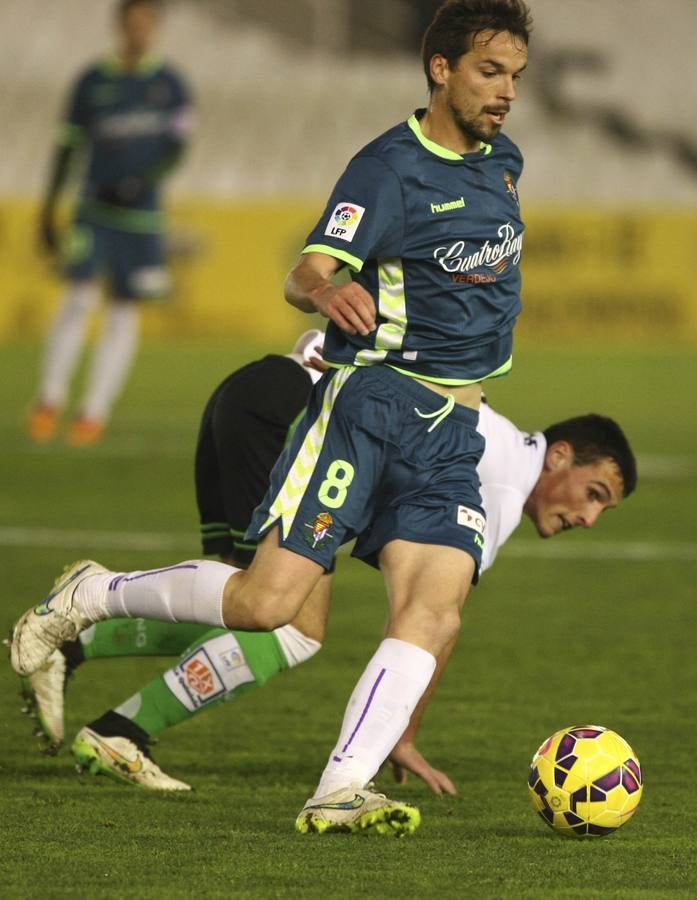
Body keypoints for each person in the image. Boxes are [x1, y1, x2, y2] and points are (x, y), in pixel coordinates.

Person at [13, 0, 537, 836]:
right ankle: (94, 594)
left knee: (434, 607)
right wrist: (329, 290)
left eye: (514, 73)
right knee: (269, 608)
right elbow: (307, 268)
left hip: (452, 432)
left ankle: (339, 789)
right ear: (439, 69)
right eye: (488, 71)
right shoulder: (388, 168)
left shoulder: (502, 160)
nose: (505, 90)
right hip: (371, 408)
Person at [18, 331, 637, 796]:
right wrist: (402, 732)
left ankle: (75, 651)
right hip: (290, 422)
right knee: (289, 623)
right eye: (594, 494)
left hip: (256, 394)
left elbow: (332, 340)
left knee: (246, 603)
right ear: (558, 456)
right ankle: (117, 710)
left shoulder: (488, 433)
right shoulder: (500, 487)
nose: (588, 518)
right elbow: (435, 623)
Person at [28, 0, 193, 447]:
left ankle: (94, 411)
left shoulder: (170, 83)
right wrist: (48, 207)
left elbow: (178, 147)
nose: (139, 31)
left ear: (154, 28)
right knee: (78, 299)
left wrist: (142, 181)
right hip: (93, 211)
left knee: (124, 309)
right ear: (120, 25)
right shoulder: (92, 80)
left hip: (141, 219)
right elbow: (68, 146)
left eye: (147, 23)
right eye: (132, 22)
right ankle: (49, 398)